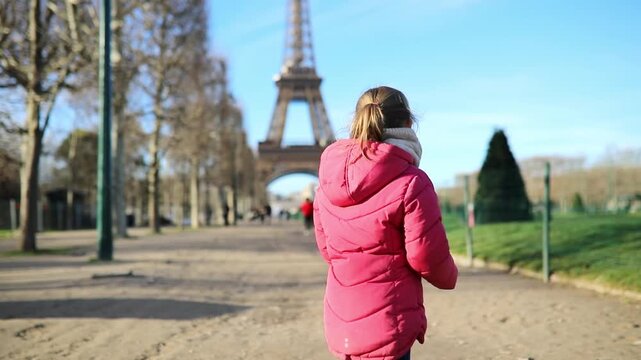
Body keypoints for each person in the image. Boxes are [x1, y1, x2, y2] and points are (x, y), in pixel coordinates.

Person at [313, 86, 458, 360]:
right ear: (407, 124)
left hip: (343, 320)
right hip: (389, 320)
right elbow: (426, 255)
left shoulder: (325, 187)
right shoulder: (412, 182)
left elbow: (328, 251)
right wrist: (450, 276)